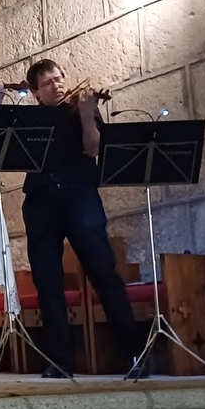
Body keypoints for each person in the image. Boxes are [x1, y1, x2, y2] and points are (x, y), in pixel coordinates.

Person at [16, 58, 147, 379]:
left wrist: (88, 114)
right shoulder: (29, 118)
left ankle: (132, 354)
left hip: (80, 196)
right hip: (40, 200)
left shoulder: (81, 109)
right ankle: (60, 360)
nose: (58, 84)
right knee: (48, 281)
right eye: (48, 82)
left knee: (104, 271)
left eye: (60, 78)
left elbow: (93, 148)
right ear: (35, 91)